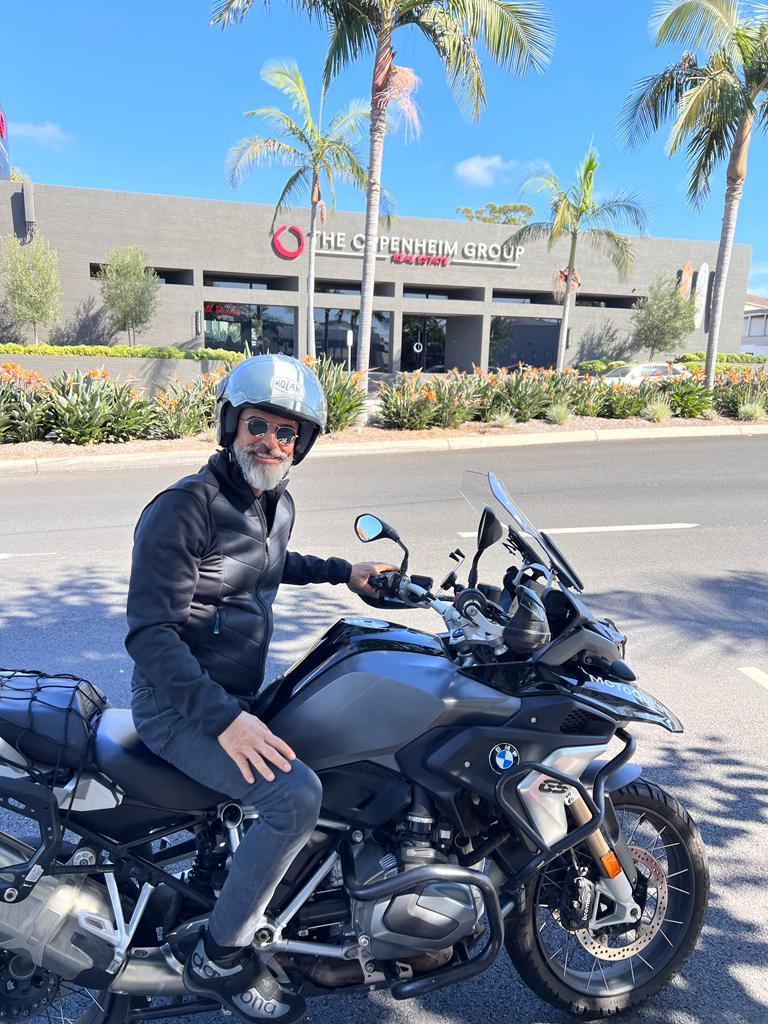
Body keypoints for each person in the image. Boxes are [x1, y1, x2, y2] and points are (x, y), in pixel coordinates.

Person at [126, 354, 393, 1023]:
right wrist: (226, 721)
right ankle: (219, 957)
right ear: (230, 425)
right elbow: (150, 635)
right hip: (178, 707)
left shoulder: (274, 502)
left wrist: (344, 571)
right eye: (258, 425)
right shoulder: (184, 507)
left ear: (301, 444)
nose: (270, 441)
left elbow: (266, 563)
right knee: (294, 796)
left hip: (229, 697)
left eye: (286, 432)